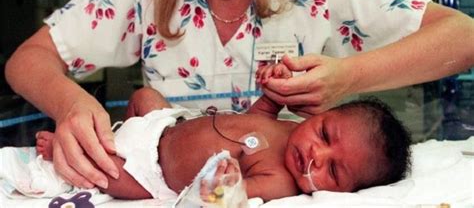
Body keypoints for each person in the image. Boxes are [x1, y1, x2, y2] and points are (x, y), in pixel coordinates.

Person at [4, 0, 474, 190]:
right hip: (158, 153)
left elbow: (464, 36)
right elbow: (28, 60)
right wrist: (70, 104)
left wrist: (349, 74)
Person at [34, 87, 411, 202]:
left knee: (110, 174)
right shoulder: (289, 126)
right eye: (326, 135)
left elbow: (236, 195)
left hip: (154, 173)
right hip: (168, 122)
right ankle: (113, 133)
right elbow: (255, 117)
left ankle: (65, 156)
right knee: (144, 95)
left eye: (332, 170)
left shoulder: (280, 179)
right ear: (319, 115)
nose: (317, 153)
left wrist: (226, 185)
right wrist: (273, 93)